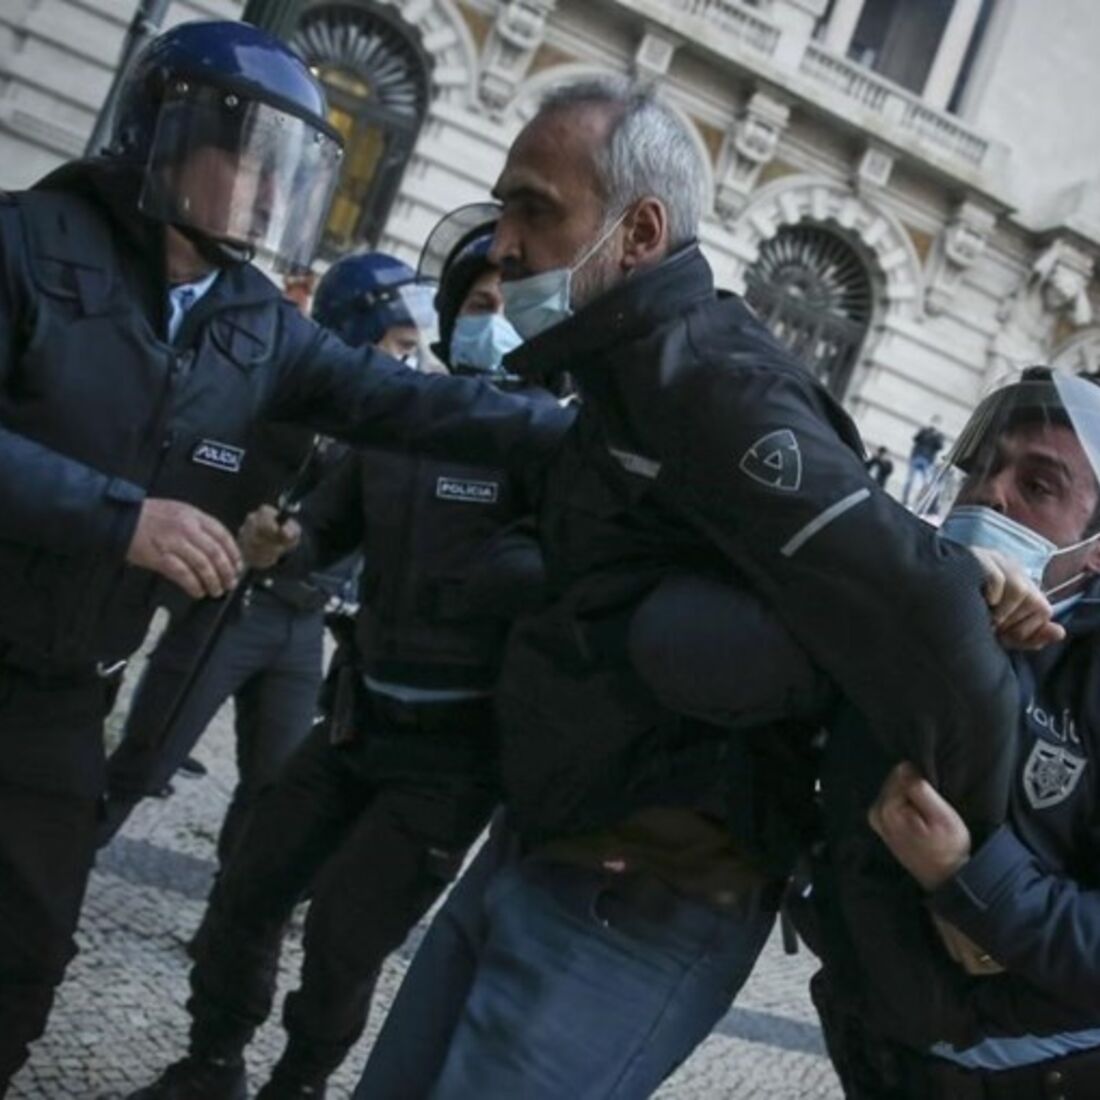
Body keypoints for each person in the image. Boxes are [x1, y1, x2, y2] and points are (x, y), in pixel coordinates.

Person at [354, 77, 1020, 1100]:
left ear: (637, 232)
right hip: (544, 840)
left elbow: (927, 609)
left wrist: (969, 886)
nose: (503, 244)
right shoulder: (617, 370)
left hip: (642, 893)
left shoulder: (715, 386)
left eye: (535, 207)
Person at [0, 21, 569, 1089]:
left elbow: (404, 404)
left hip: (59, 704)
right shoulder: (26, 242)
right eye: (245, 150)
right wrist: (120, 518)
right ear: (161, 133)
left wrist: (588, 427)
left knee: (23, 963)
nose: (265, 185)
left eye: (288, 165)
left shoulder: (254, 320)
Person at [124, 218, 558, 1100]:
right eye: (479, 303)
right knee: (249, 888)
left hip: (448, 761)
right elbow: (325, 527)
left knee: (344, 941)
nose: (494, 319)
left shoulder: (548, 438)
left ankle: (299, 1084)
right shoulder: (393, 420)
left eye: (512, 306)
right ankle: (212, 1065)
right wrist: (283, 541)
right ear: (449, 311)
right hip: (355, 719)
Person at [811, 369, 1100, 1098]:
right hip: (874, 1042)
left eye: (1037, 487)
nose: (990, 493)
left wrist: (967, 875)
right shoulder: (916, 602)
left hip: (1028, 1073)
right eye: (983, 466)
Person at [97, 253, 422, 864]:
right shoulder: (277, 391)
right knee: (146, 761)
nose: (405, 363)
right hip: (232, 603)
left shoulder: (371, 419)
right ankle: (50, 886)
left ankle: (227, 930)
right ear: (359, 330)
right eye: (400, 345)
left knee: (272, 786)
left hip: (301, 618)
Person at [902, 416, 945, 505]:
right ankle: (904, 500)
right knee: (909, 480)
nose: (934, 424)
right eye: (933, 422)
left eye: (937, 423)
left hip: (928, 461)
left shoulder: (939, 435)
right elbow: (915, 439)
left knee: (926, 482)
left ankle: (920, 501)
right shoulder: (924, 431)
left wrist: (935, 435)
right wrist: (925, 432)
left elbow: (940, 447)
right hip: (916, 457)